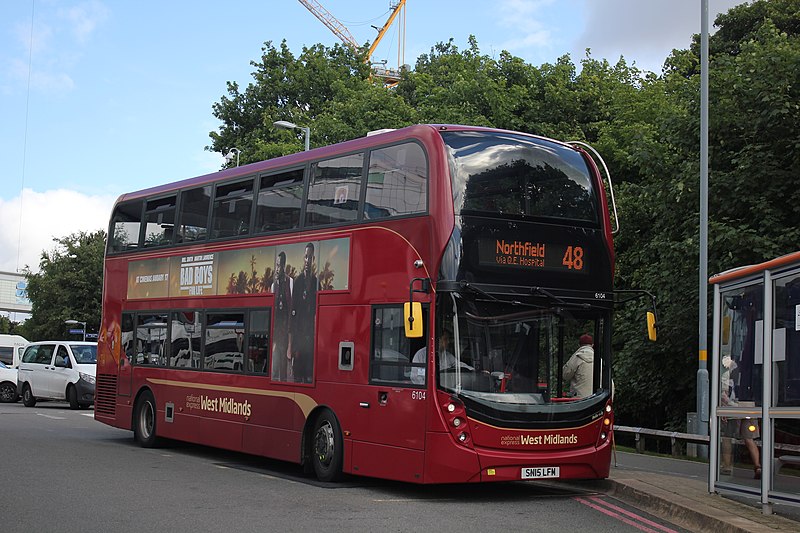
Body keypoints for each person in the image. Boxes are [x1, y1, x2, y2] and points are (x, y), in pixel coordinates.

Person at [289, 243, 318, 383]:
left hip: (310, 333)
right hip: (299, 333)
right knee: (297, 374)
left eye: (310, 258)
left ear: (313, 259)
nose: (307, 261)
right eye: (306, 257)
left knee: (309, 374)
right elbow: (293, 310)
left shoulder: (315, 282)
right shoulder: (298, 281)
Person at [271, 251, 292, 380]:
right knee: (274, 370)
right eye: (276, 265)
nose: (277, 269)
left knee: (284, 371)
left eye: (279, 265)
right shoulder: (274, 286)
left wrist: (291, 343)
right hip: (276, 336)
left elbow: (292, 312)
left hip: (286, 334)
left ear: (284, 266)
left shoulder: (290, 282)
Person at [562, 333, 594, 398]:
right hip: (596, 399)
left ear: (579, 345)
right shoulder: (599, 360)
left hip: (579, 400)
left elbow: (565, 375)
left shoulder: (576, 357)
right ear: (592, 345)